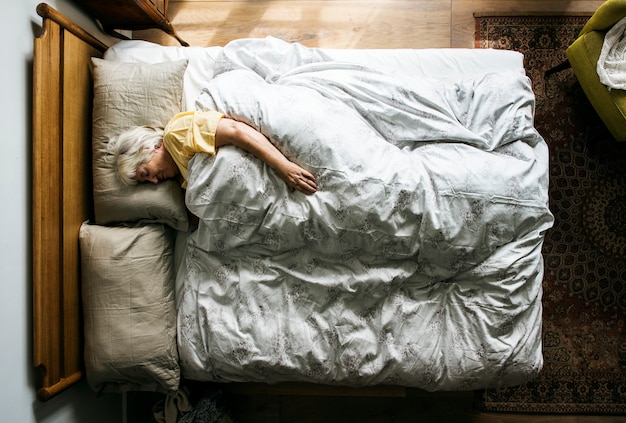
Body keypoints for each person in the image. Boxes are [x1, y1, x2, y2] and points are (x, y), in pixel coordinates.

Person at [108, 110, 317, 195]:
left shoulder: (176, 135)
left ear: (147, 149)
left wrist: (284, 167)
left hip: (280, 169)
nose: (154, 181)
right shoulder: (182, 177)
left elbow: (236, 131)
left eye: (146, 173)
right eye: (147, 182)